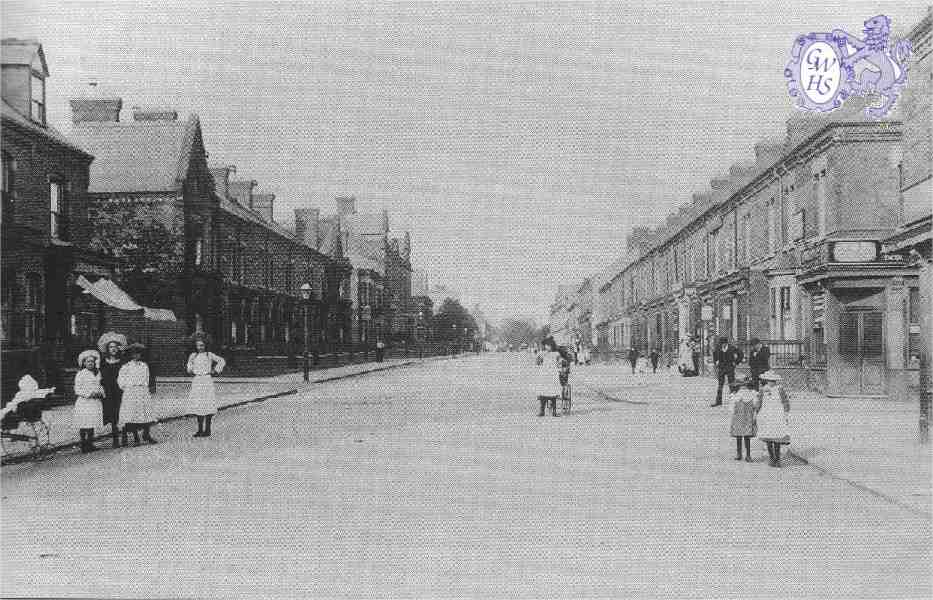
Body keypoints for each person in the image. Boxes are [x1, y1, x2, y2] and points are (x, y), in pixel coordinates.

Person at [187, 337, 227, 437]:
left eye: (202, 345)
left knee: (207, 404)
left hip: (206, 380)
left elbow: (221, 361)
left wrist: (215, 370)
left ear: (205, 346)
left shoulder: (209, 355)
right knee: (198, 404)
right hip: (197, 381)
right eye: (198, 345)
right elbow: (189, 367)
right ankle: (200, 429)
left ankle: (207, 429)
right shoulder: (193, 355)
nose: (200, 347)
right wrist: (190, 368)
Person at [118, 343, 158, 445]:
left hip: (142, 391)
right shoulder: (126, 367)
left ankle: (146, 434)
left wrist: (145, 388)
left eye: (138, 354)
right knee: (133, 414)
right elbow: (121, 381)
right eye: (134, 354)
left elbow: (147, 378)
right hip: (131, 392)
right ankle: (136, 437)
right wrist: (128, 388)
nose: (136, 356)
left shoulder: (144, 366)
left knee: (146, 412)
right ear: (131, 355)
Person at [756, 370, 790, 467]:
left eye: (773, 380)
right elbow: (760, 402)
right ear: (766, 380)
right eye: (769, 380)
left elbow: (785, 401)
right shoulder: (763, 389)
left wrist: (786, 412)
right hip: (766, 414)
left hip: (777, 414)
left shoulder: (780, 389)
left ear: (775, 381)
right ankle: (771, 457)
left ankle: (777, 458)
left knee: (777, 437)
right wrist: (757, 411)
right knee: (769, 437)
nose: (771, 382)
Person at [74, 350, 105, 453]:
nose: (90, 363)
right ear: (84, 363)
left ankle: (90, 443)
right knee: (84, 422)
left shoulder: (97, 373)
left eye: (92, 361)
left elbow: (100, 385)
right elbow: (77, 389)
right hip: (84, 402)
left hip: (94, 402)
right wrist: (89, 394)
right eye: (88, 361)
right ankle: (83, 444)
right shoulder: (81, 374)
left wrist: (101, 393)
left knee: (92, 422)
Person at [99, 340, 125, 448]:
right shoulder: (103, 362)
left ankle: (124, 437)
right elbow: (101, 377)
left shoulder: (122, 362)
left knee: (122, 413)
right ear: (107, 349)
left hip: (120, 390)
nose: (113, 349)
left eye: (115, 347)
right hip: (109, 391)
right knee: (112, 415)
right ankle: (115, 439)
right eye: (110, 347)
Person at [728, 378, 758, 462]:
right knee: (745, 436)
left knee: (740, 436)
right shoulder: (752, 394)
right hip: (747, 417)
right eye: (742, 386)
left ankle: (741, 454)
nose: (743, 388)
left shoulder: (735, 395)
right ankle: (746, 455)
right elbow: (755, 405)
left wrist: (733, 414)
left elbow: (731, 408)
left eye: (744, 386)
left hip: (739, 417)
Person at [534, 337, 562, 417]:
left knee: (553, 392)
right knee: (543, 391)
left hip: (553, 373)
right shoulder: (542, 353)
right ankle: (542, 411)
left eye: (549, 345)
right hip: (544, 373)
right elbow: (537, 362)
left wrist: (560, 366)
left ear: (552, 346)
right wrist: (538, 358)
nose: (547, 347)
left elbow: (559, 363)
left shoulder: (556, 354)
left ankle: (554, 411)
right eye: (546, 345)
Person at [712, 337, 743, 407]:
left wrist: (736, 362)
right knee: (720, 385)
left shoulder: (732, 348)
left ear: (726, 343)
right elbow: (714, 354)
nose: (722, 345)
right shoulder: (718, 347)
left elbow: (741, 354)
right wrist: (716, 362)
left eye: (724, 344)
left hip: (730, 367)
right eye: (721, 344)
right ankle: (718, 401)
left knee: (731, 384)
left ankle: (733, 401)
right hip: (721, 368)